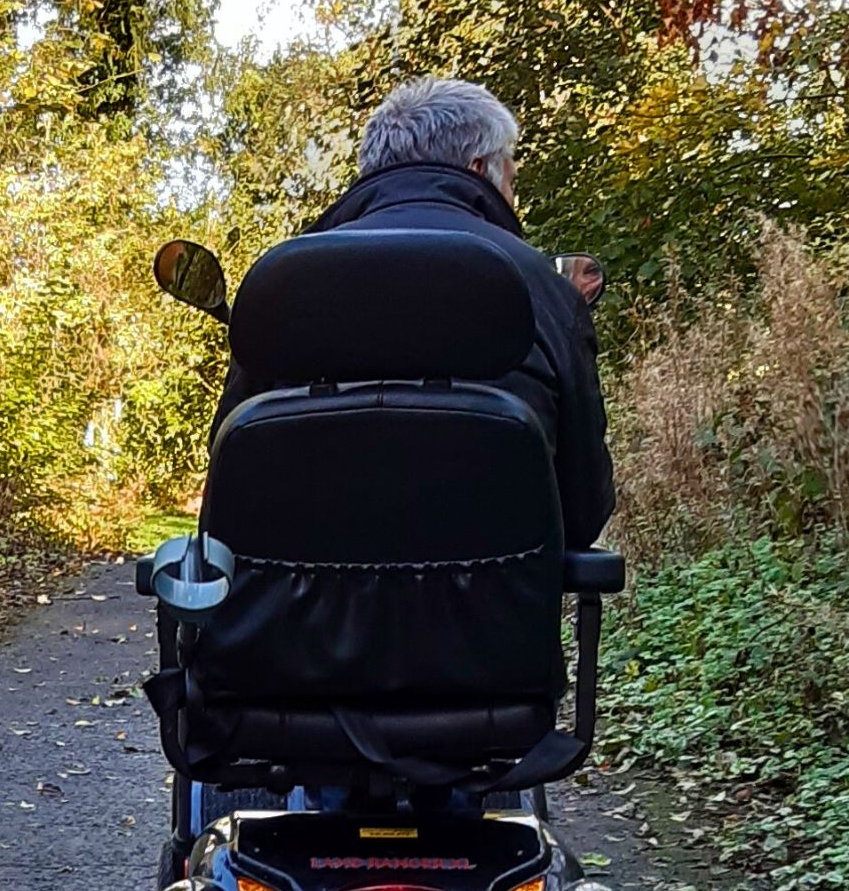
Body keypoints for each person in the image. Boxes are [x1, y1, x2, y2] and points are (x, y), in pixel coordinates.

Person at [219, 76, 615, 550]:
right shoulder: (545, 291)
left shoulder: (285, 282)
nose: (513, 199)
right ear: (478, 168)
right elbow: (583, 512)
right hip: (490, 620)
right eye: (512, 180)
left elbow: (226, 487)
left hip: (292, 621)